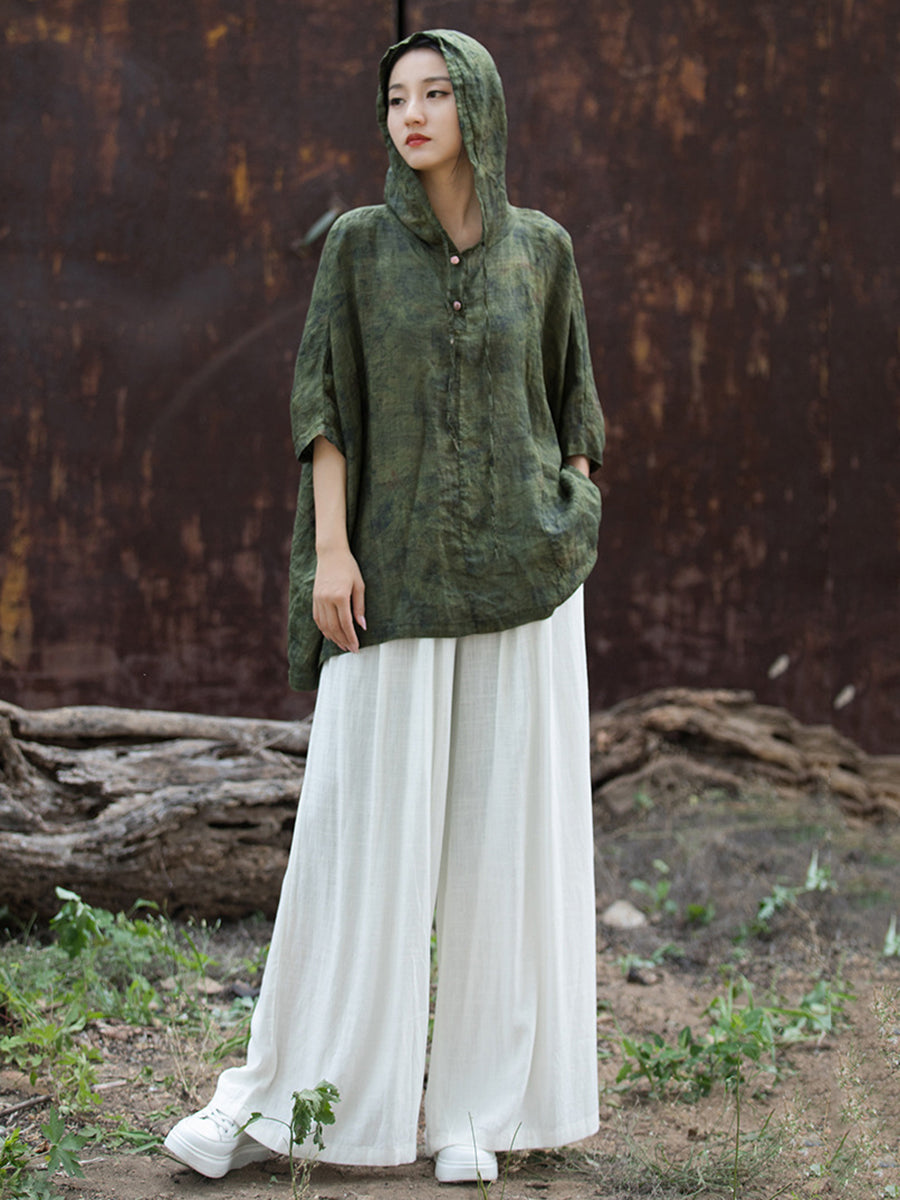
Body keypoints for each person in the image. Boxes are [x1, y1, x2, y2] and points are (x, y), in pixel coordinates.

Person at [163, 28, 605, 1185]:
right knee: (357, 843)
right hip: (391, 576)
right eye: (397, 95)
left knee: (505, 849)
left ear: (480, 107)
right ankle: (285, 1104)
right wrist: (333, 552)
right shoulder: (358, 246)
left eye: (436, 92)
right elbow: (326, 403)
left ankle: (477, 1116)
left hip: (520, 585)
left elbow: (573, 405)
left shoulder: (543, 250)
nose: (412, 113)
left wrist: (567, 510)